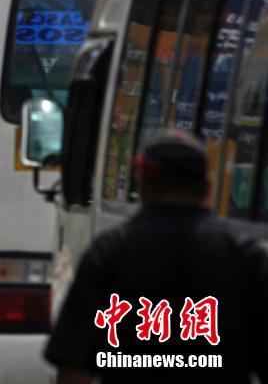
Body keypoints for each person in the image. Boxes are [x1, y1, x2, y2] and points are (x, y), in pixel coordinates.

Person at [45, 130, 268, 383]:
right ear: (208, 187)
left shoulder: (108, 253)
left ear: (142, 186)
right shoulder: (244, 256)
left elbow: (73, 367)